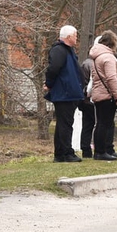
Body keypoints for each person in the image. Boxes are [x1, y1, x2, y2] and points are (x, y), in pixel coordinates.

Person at [44, 25, 83, 163]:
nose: (77, 37)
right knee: (65, 124)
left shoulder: (68, 51)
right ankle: (66, 152)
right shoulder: (59, 50)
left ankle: (61, 153)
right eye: (75, 35)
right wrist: (49, 84)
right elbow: (53, 69)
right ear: (68, 37)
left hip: (69, 93)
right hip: (64, 93)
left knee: (64, 124)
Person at [88, 30, 117, 161]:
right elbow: (111, 78)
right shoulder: (107, 57)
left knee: (101, 123)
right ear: (113, 43)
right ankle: (101, 151)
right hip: (107, 95)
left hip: (99, 93)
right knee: (104, 124)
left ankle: (103, 150)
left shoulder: (96, 56)